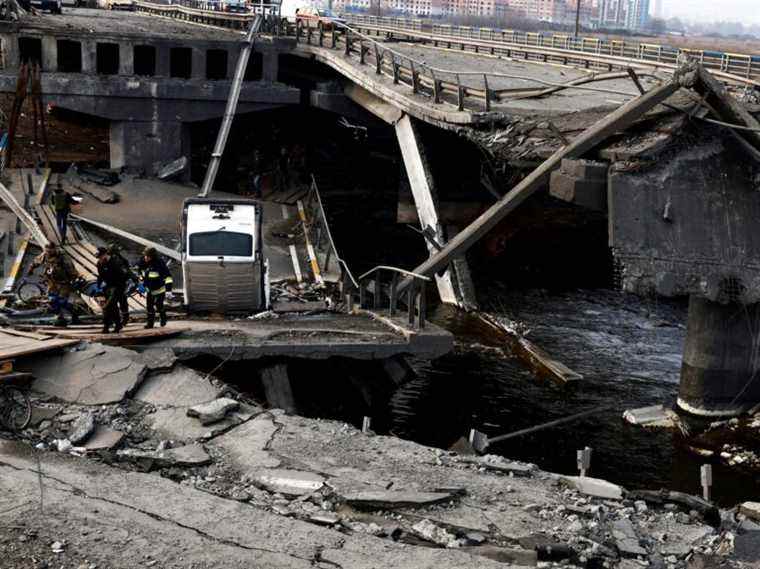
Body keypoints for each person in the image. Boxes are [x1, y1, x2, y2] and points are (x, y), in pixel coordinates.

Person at [31, 242, 80, 327]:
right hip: (52, 282)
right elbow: (37, 261)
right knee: (52, 301)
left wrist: (74, 278)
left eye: (50, 251)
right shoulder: (45, 254)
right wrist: (31, 268)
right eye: (47, 251)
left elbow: (70, 268)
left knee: (62, 301)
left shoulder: (62, 256)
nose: (48, 253)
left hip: (64, 283)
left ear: (55, 249)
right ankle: (60, 318)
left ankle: (75, 314)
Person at [136, 247, 172, 329]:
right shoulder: (143, 261)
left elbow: (168, 277)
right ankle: (150, 324)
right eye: (145, 256)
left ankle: (163, 317)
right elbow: (139, 271)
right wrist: (141, 283)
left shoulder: (159, 263)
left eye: (148, 256)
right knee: (149, 307)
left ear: (152, 256)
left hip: (159, 289)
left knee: (159, 305)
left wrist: (169, 290)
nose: (146, 258)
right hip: (149, 289)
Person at [96, 246, 129, 334]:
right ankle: (115, 325)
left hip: (118, 286)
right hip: (108, 287)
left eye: (100, 257)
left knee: (111, 306)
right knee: (109, 307)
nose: (99, 259)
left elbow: (123, 276)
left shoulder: (115, 263)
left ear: (105, 255)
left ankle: (110, 325)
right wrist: (98, 286)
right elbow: (100, 276)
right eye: (98, 258)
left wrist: (117, 288)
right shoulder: (99, 264)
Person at [107, 243, 136, 327]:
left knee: (119, 301)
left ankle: (122, 319)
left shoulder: (118, 260)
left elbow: (125, 271)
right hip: (115, 283)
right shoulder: (117, 259)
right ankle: (121, 319)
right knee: (120, 301)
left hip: (119, 284)